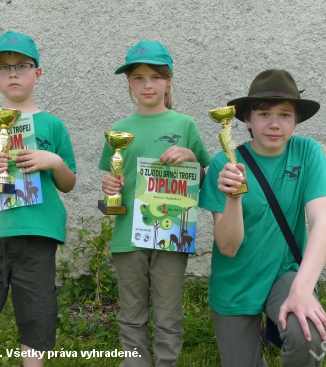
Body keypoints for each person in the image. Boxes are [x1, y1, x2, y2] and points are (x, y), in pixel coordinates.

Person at [199, 69, 326, 367]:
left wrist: (302, 290)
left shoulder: (307, 152)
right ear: (247, 120)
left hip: (284, 272)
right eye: (264, 114)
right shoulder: (223, 164)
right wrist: (233, 197)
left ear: (296, 121)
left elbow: (322, 224)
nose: (274, 124)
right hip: (235, 281)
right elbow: (227, 247)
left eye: (285, 115)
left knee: (310, 333)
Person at [0, 31, 76, 367]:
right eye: (3, 68)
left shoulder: (52, 125)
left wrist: (54, 162)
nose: (13, 74)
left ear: (38, 73)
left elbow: (69, 183)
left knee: (37, 315)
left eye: (22, 66)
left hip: (38, 234)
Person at [99, 40, 212, 367]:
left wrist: (191, 159)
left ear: (169, 80)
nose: (147, 84)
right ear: (129, 83)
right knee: (131, 314)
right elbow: (114, 186)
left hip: (171, 235)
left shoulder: (184, 125)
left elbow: (204, 177)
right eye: (138, 77)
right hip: (127, 237)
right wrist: (109, 187)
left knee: (168, 314)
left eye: (155, 77)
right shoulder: (118, 130)